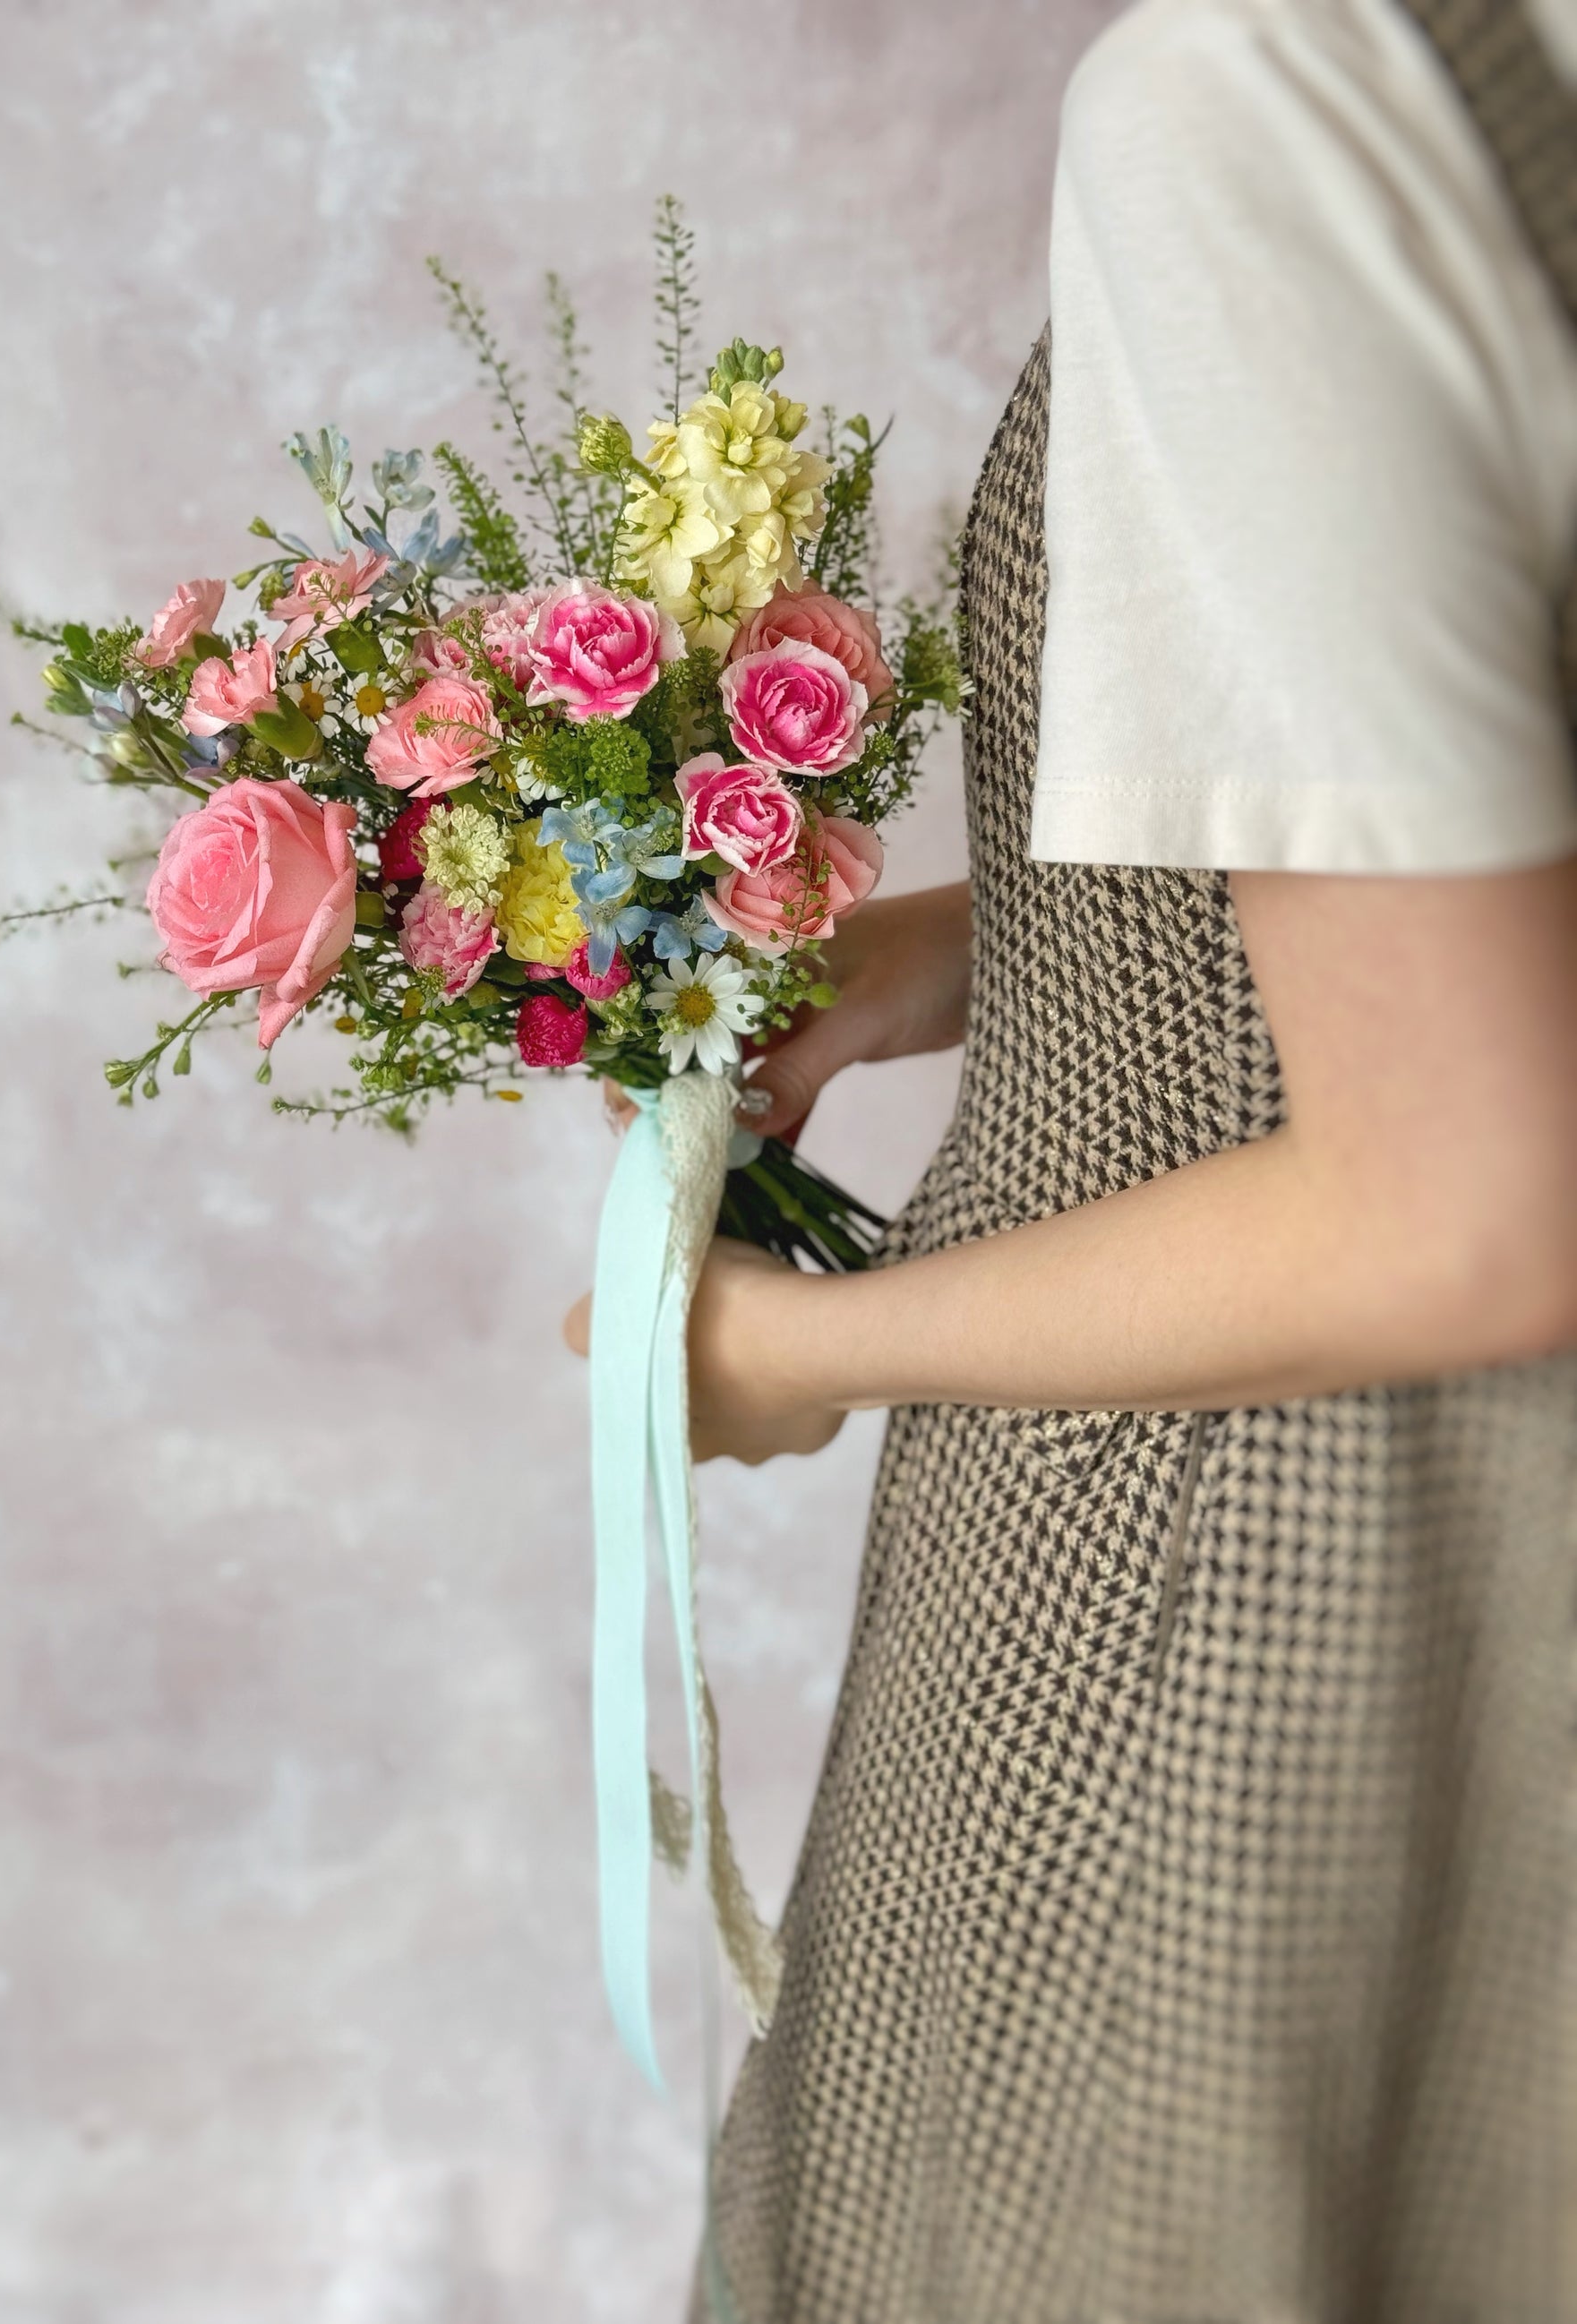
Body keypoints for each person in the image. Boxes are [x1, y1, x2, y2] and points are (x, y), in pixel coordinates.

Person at [570, 0, 1577, 2313]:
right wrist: (936, 954)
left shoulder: (1256, 97)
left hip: (1239, 1601)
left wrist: (785, 1340)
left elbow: (1461, 1197)